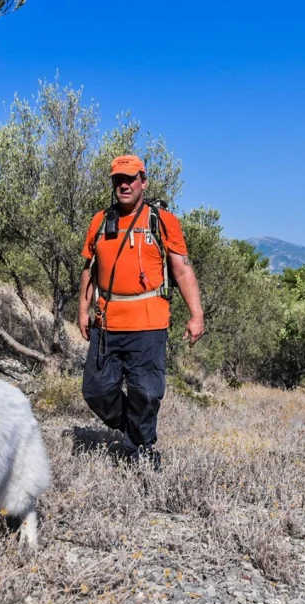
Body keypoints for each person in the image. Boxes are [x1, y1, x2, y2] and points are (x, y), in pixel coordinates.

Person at [77, 154, 205, 470]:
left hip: (149, 323)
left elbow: (182, 270)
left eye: (130, 179)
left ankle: (142, 452)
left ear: (143, 182)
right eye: (118, 180)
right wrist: (82, 310)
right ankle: (135, 432)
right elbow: (89, 268)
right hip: (106, 322)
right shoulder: (99, 221)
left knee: (146, 393)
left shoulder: (162, 221)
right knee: (95, 391)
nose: (124, 185)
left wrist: (196, 314)